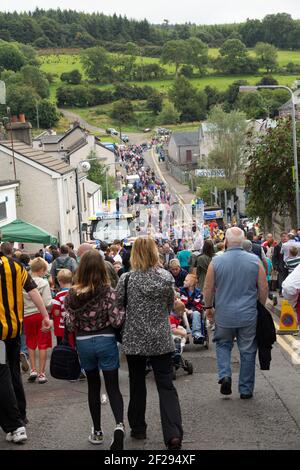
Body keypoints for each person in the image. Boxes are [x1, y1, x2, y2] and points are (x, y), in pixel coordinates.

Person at [116, 237, 183, 450]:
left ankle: (138, 427)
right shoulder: (165, 277)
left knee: (136, 384)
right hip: (160, 337)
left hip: (134, 338)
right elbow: (170, 306)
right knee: (166, 385)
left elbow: (118, 306)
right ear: (155, 253)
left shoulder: (126, 279)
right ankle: (173, 434)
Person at [65, 250, 125, 450]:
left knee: (93, 387)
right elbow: (116, 321)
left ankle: (97, 432)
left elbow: (70, 325)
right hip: (106, 339)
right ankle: (119, 425)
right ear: (101, 267)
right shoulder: (108, 290)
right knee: (113, 387)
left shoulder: (72, 294)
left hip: (84, 342)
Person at [203, 227, 268, 399]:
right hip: (248, 314)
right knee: (247, 350)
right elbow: (263, 287)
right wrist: (259, 306)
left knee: (223, 344)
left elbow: (208, 288)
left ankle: (225, 375)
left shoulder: (216, 262)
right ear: (243, 241)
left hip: (224, 314)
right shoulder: (255, 261)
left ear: (226, 241)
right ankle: (245, 389)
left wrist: (208, 308)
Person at [0, 244, 51, 442]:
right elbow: (33, 290)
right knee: (12, 372)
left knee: (2, 373)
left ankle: (15, 424)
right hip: (13, 331)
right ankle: (20, 415)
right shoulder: (15, 265)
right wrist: (45, 315)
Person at [23, 257, 53, 384]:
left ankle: (33, 369)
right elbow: (47, 302)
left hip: (27, 315)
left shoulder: (23, 282)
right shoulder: (43, 283)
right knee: (42, 344)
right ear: (41, 270)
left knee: (30, 341)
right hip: (41, 315)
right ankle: (42, 373)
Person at [180, 274, 204, 344]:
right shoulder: (182, 291)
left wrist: (192, 310)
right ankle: (186, 333)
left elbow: (198, 304)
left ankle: (196, 334)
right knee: (182, 313)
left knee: (196, 313)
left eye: (186, 281)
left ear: (191, 284)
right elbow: (182, 302)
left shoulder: (198, 292)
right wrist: (185, 309)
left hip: (193, 312)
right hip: (183, 312)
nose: (184, 282)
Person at [51, 269, 73, 346]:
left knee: (61, 346)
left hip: (62, 326)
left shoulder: (58, 295)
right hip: (74, 325)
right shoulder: (76, 292)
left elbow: (56, 313)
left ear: (59, 281)